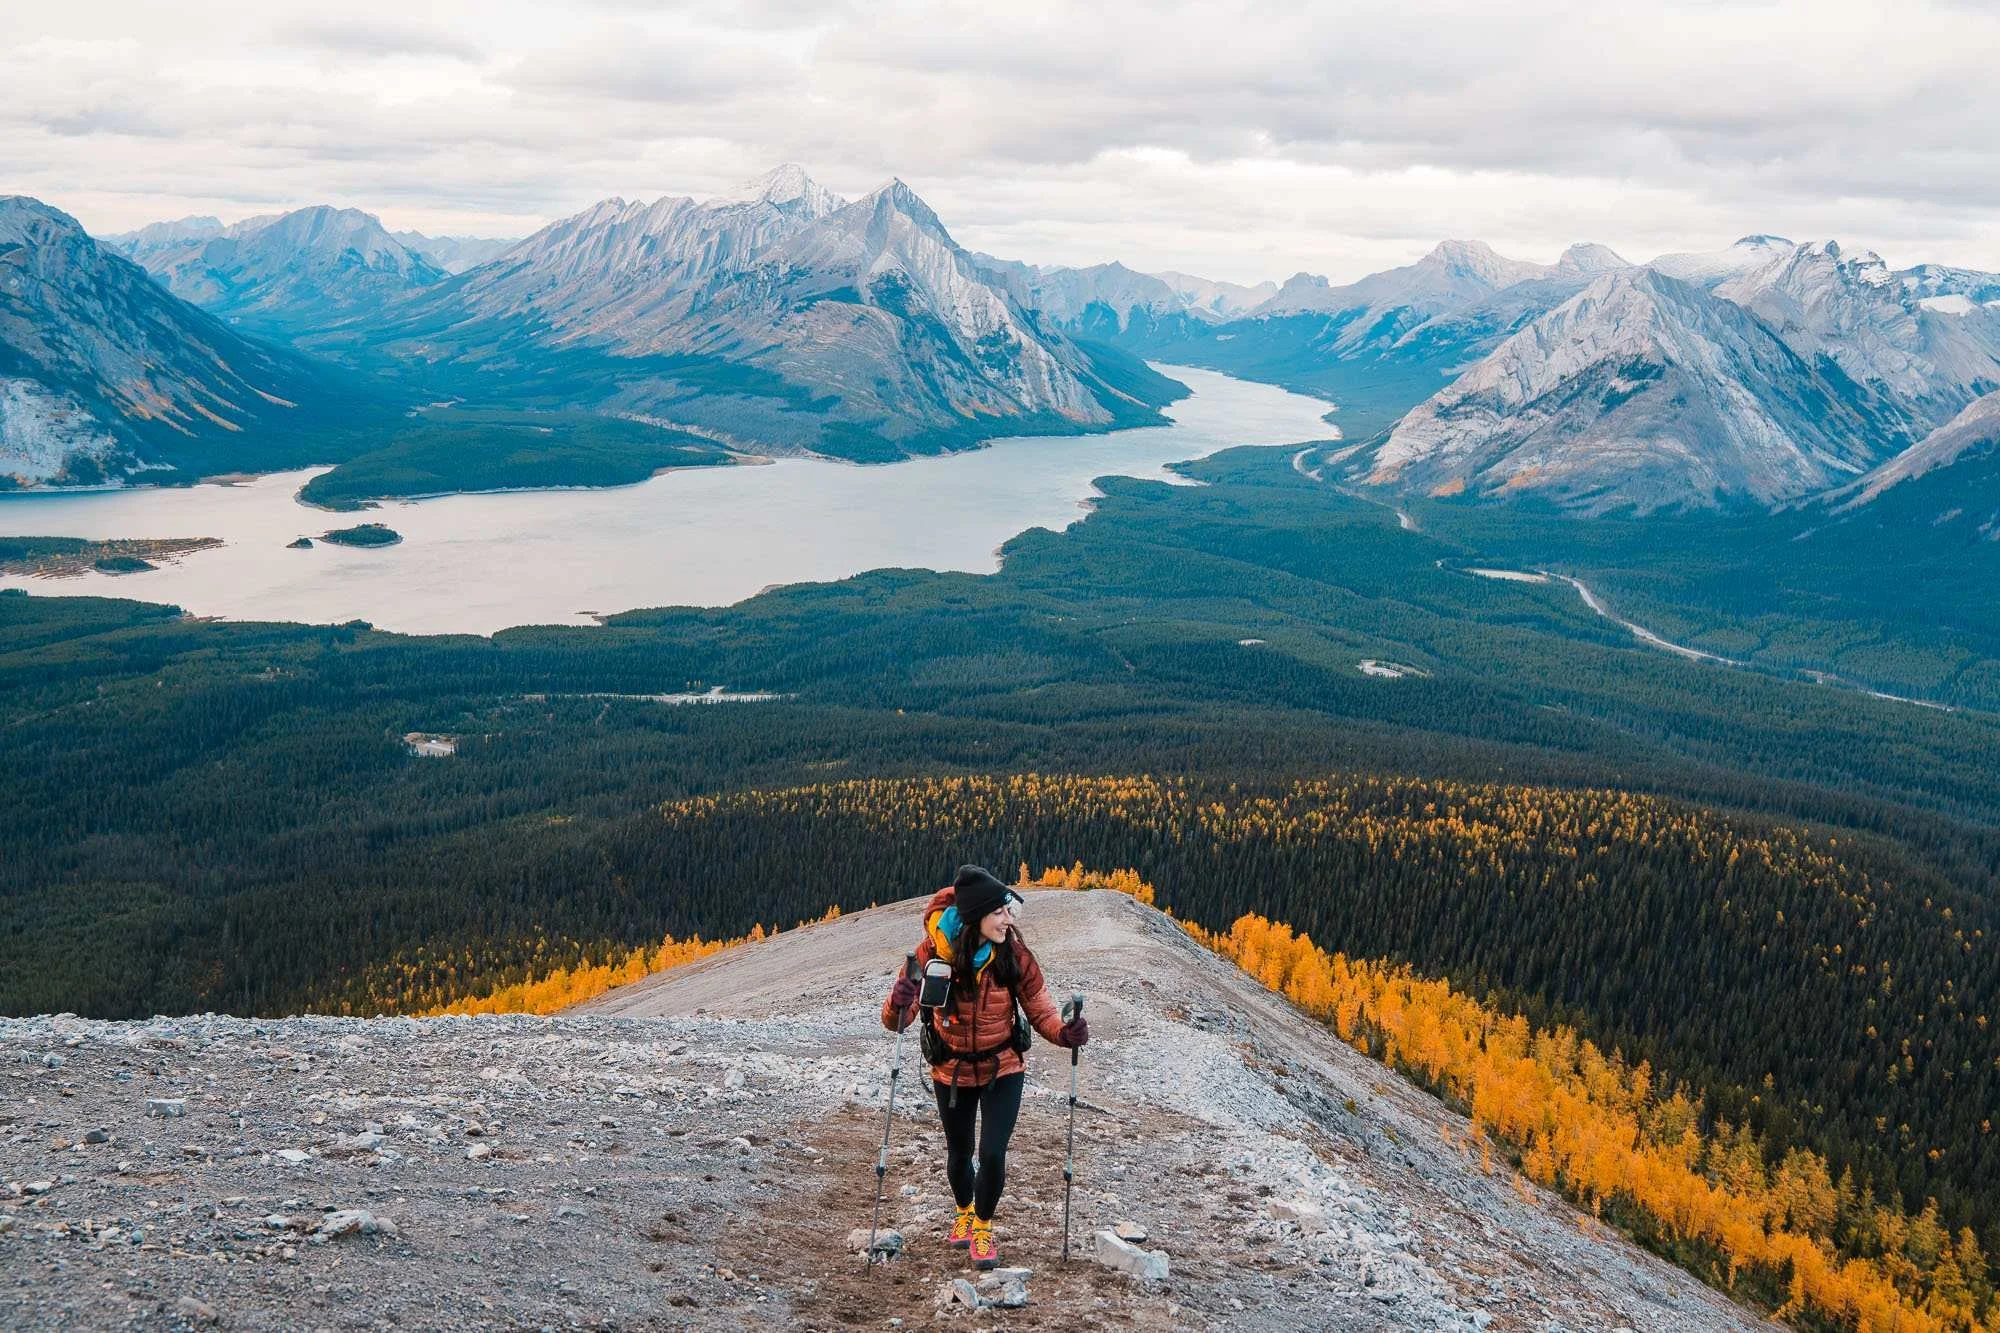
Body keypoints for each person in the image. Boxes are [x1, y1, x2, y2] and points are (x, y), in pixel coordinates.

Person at [882, 865, 1089, 1270]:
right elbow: (896, 1022)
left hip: (1003, 1067)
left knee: (992, 1154)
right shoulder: (931, 954)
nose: (1009, 920)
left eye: (1009, 911)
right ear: (977, 915)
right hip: (951, 1069)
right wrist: (899, 997)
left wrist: (1064, 1034)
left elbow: (1041, 1006)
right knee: (959, 1156)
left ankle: (982, 1225)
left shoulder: (1012, 952)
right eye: (1001, 913)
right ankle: (962, 1211)